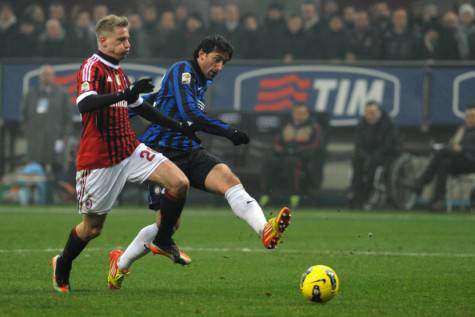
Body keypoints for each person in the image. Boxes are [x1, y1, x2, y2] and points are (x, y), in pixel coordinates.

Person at [106, 35, 291, 290]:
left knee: (229, 179)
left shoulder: (200, 82)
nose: (219, 67)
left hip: (188, 150)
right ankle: (121, 264)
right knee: (167, 225)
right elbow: (189, 112)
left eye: (224, 63)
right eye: (216, 60)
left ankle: (264, 230)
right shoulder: (182, 70)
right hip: (161, 155)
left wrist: (133, 106)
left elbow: (157, 102)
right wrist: (229, 132)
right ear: (201, 54)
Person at [51, 14, 200, 294]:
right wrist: (124, 94)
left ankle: (164, 240)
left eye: (128, 38)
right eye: (121, 39)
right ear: (103, 40)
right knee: (92, 228)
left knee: (179, 183)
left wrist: (178, 126)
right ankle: (63, 262)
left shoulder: (119, 72)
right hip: (99, 160)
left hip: (130, 149)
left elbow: (142, 107)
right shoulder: (91, 66)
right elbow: (85, 104)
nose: (127, 44)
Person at [404, 104, 475, 211]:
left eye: (472, 116)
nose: (469, 119)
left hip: (471, 161)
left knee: (442, 152)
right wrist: (454, 147)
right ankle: (438, 201)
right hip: (460, 160)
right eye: (467, 116)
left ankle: (421, 182)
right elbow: (453, 143)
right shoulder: (463, 129)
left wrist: (463, 148)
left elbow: (465, 148)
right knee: (443, 163)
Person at [21, 64, 72, 203]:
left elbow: (68, 119)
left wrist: (64, 138)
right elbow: (24, 116)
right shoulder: (31, 94)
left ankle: (59, 198)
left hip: (56, 139)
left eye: (48, 75)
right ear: (39, 77)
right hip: (36, 140)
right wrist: (28, 133)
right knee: (37, 168)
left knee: (58, 168)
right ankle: (36, 199)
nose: (46, 77)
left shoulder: (61, 94)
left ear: (53, 77)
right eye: (43, 75)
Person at [260, 104, 323, 208]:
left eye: (302, 113)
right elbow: (277, 141)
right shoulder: (287, 126)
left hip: (302, 157)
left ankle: (294, 196)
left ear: (307, 114)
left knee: (292, 163)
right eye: (297, 113)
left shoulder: (314, 127)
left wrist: (298, 150)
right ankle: (265, 195)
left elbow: (316, 145)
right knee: (269, 161)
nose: (300, 116)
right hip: (283, 154)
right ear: (293, 114)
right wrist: (279, 148)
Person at [347, 101, 400, 208]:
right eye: (367, 112)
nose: (370, 115)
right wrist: (365, 156)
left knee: (373, 163)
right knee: (357, 161)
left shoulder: (389, 124)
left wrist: (373, 156)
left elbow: (389, 145)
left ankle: (368, 194)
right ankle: (354, 192)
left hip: (385, 155)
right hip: (367, 155)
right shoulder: (361, 124)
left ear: (379, 112)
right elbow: (358, 144)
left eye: (373, 112)